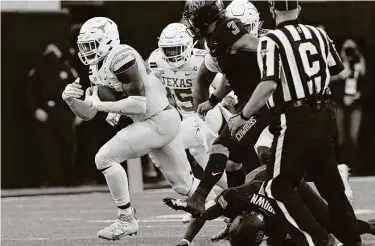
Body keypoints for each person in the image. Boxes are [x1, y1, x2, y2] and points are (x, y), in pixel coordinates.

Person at [62, 17, 212, 240]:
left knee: (104, 158)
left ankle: (126, 218)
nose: (86, 50)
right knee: (186, 188)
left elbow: (138, 103)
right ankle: (236, 210)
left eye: (91, 44)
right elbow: (90, 113)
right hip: (156, 122)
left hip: (157, 120)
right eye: (84, 45)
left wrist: (104, 105)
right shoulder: (96, 68)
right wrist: (71, 100)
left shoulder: (122, 57)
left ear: (108, 41)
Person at [227, 1, 361, 245]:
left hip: (295, 116)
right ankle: (352, 240)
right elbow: (338, 71)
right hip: (324, 114)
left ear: (272, 11)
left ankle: (319, 239)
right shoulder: (318, 33)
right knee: (331, 186)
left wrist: (243, 115)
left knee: (276, 187)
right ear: (298, 9)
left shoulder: (271, 39)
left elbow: (269, 83)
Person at [173, 165, 375, 246]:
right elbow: (202, 213)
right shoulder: (234, 196)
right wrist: (186, 240)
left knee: (337, 227)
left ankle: (343, 179)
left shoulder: (282, 220)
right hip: (258, 179)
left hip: (291, 187)